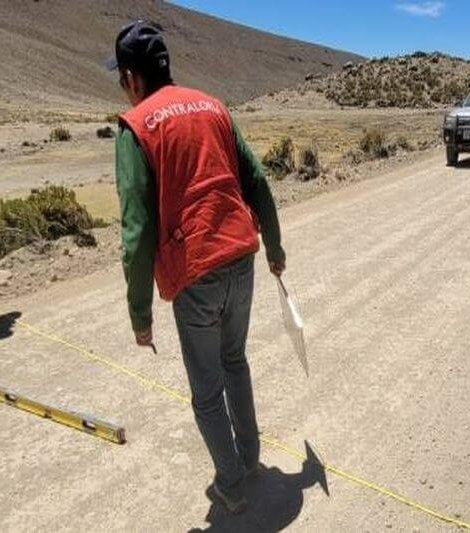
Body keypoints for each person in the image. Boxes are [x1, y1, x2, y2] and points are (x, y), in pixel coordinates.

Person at [108, 21, 286, 514]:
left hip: (197, 273)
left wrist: (139, 314)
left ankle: (231, 484)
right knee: (235, 362)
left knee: (206, 389)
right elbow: (258, 183)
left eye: (121, 79)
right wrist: (273, 247)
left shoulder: (136, 126)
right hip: (240, 255)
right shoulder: (214, 106)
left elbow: (136, 232)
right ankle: (248, 460)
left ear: (131, 77)